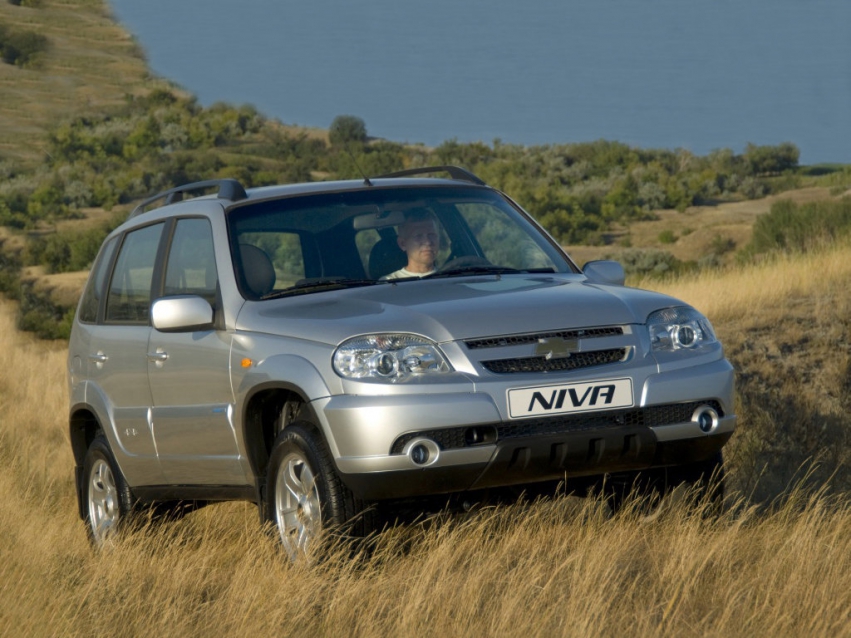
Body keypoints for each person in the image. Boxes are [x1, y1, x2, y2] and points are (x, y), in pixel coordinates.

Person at [383, 208, 440, 279]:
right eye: (418, 236)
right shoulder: (389, 283)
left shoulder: (451, 277)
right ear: (402, 244)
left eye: (432, 235)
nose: (427, 242)